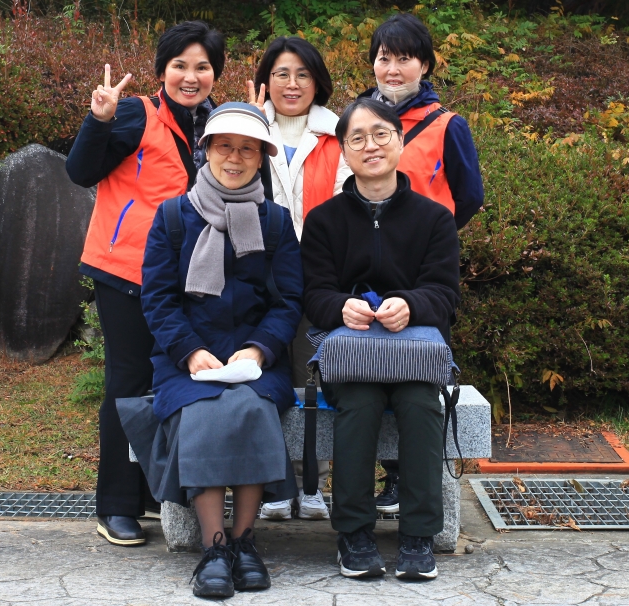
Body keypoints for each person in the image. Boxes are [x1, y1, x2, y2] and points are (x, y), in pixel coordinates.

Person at [66, 20, 225, 546]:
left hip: (186, 279)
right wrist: (98, 119)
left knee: (169, 382)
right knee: (128, 381)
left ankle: (151, 491)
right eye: (180, 65)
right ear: (162, 71)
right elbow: (81, 172)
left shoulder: (215, 125)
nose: (190, 76)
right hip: (125, 271)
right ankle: (116, 504)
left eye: (202, 67)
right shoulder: (137, 113)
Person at [140, 102, 303, 598]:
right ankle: (214, 547)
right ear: (206, 150)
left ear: (261, 157)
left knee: (252, 408)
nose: (235, 158)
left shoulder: (275, 222)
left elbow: (288, 300)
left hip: (257, 360)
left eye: (248, 149)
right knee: (203, 410)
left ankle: (244, 541)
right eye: (225, 146)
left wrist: (259, 350)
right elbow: (157, 297)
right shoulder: (173, 216)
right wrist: (189, 351)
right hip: (185, 360)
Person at [300, 98, 461, 580]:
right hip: (352, 357)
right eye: (357, 138)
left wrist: (410, 304)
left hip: (414, 356)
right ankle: (353, 532)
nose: (370, 146)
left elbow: (445, 294)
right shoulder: (324, 220)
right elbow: (313, 294)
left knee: (420, 404)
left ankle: (419, 535)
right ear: (344, 151)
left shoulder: (434, 218)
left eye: (381, 134)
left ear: (400, 141)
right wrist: (340, 307)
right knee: (359, 404)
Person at [361, 12, 484, 514]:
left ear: (425, 64)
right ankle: (387, 477)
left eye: (404, 59)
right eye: (383, 58)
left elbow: (470, 195)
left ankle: (417, 482)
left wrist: (434, 235)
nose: (392, 69)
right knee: (368, 372)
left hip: (425, 275)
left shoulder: (447, 125)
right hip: (366, 266)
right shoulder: (360, 119)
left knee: (421, 374)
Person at [247, 36, 349, 522]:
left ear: (317, 81)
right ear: (265, 80)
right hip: (257, 273)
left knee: (315, 376)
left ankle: (314, 483)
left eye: (303, 74)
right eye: (282, 74)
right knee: (269, 373)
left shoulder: (338, 133)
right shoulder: (247, 128)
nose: (292, 84)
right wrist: (251, 128)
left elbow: (346, 203)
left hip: (319, 275)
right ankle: (274, 481)